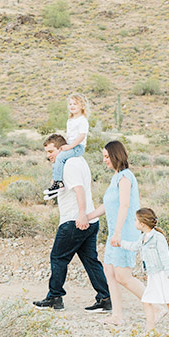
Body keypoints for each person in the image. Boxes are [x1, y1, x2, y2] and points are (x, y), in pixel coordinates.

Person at [33, 133, 111, 311]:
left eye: (51, 151)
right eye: (47, 152)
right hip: (91, 221)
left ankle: (55, 297)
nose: (49, 155)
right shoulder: (79, 160)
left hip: (75, 220)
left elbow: (79, 190)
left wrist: (81, 214)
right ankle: (105, 298)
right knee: (91, 261)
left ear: (62, 149)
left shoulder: (69, 164)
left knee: (58, 257)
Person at [84, 140, 145, 325]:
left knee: (123, 276)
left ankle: (156, 306)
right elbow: (108, 205)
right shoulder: (116, 177)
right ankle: (117, 316)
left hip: (124, 232)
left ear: (115, 155)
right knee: (109, 272)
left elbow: (125, 205)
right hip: (115, 232)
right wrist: (89, 216)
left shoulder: (125, 177)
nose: (104, 160)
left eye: (106, 156)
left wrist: (117, 232)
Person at [119, 208, 169, 332]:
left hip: (163, 275)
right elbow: (134, 247)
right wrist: (120, 243)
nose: (134, 222)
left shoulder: (158, 238)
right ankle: (150, 332)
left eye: (135, 220)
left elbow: (165, 256)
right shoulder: (143, 237)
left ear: (142, 224)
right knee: (147, 301)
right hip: (153, 276)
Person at [44, 93, 90, 200]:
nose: (72, 106)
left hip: (77, 147)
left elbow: (81, 136)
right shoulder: (70, 120)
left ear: (82, 106)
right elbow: (69, 135)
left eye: (75, 104)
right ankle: (54, 183)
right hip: (70, 145)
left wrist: (70, 147)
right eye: (70, 104)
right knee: (57, 158)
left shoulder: (82, 120)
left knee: (60, 157)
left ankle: (59, 183)